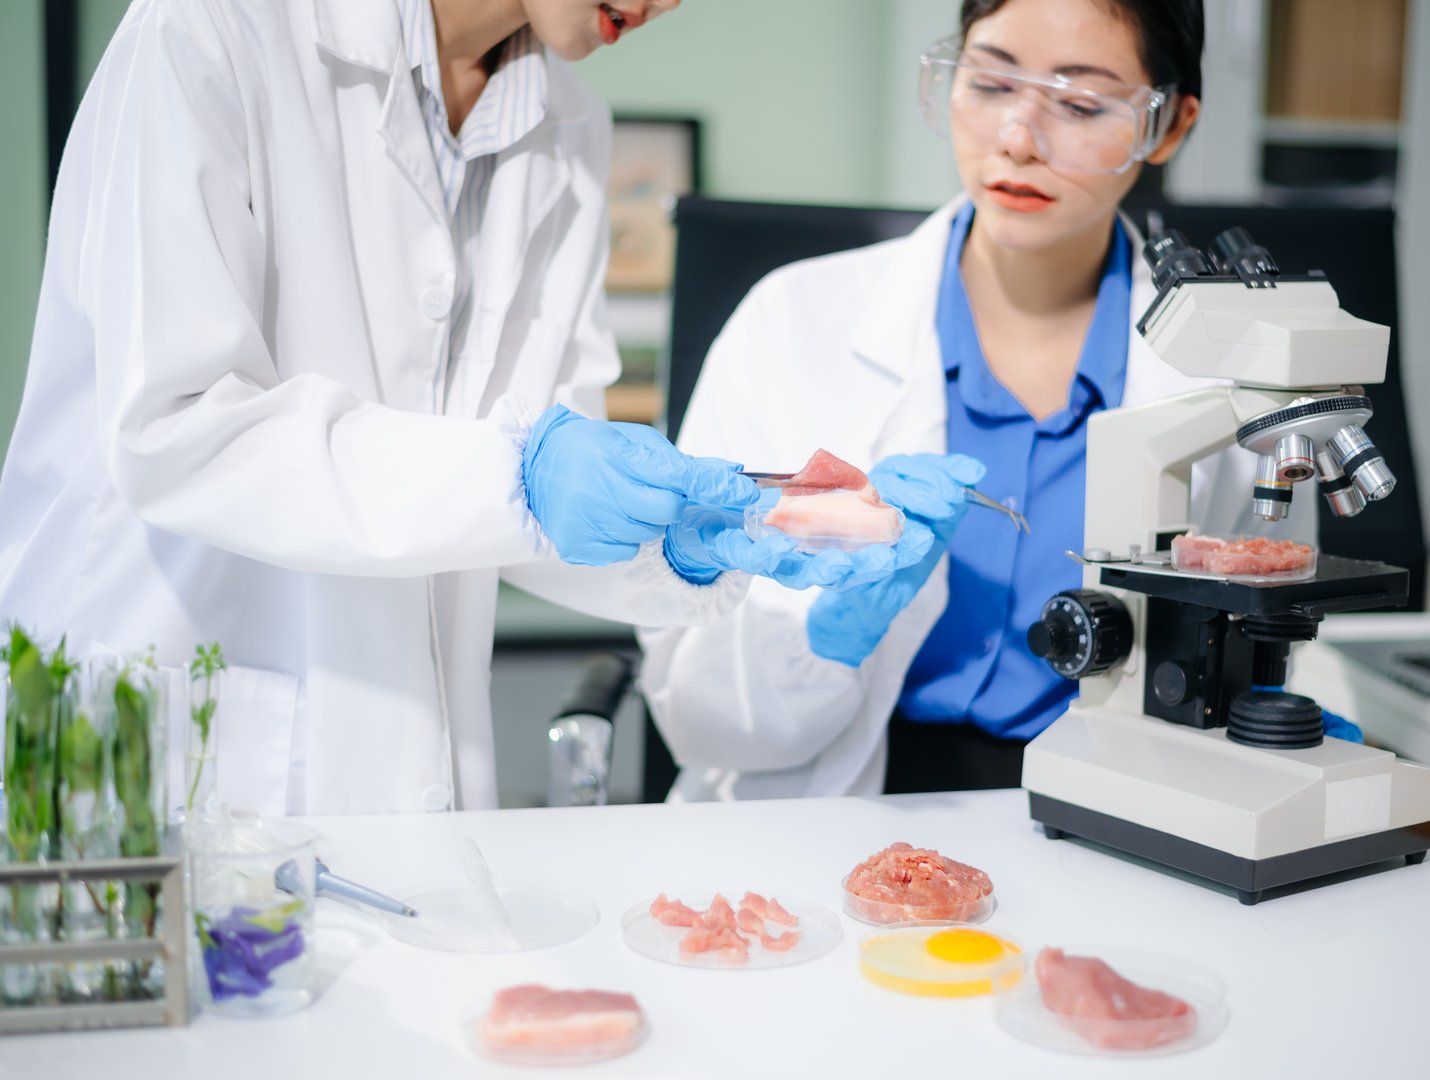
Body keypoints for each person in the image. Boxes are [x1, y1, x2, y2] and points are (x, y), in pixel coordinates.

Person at [0, 0, 927, 816]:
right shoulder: (209, 29)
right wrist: (517, 475)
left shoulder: (570, 129)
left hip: (405, 752)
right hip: (173, 718)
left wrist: (673, 543)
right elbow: (179, 427)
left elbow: (540, 486)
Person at [638, 0, 1320, 801]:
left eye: (1079, 103)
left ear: (1167, 125)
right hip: (830, 796)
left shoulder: (1228, 372)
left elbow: (1259, 629)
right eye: (990, 82)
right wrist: (828, 641)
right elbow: (694, 712)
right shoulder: (789, 324)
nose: (1017, 140)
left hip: (1120, 796)